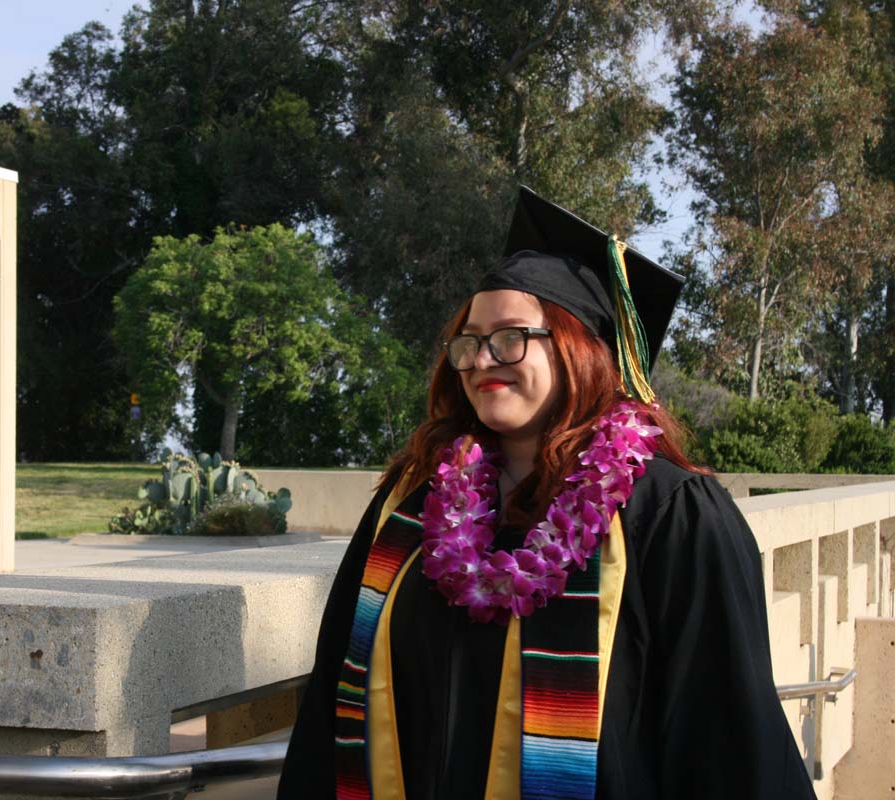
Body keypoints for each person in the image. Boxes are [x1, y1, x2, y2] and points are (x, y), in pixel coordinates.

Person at [277, 187, 816, 800]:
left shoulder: (668, 513)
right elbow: (331, 701)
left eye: (510, 338)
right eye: (469, 341)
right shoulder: (411, 504)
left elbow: (727, 735)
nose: (483, 360)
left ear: (579, 347)